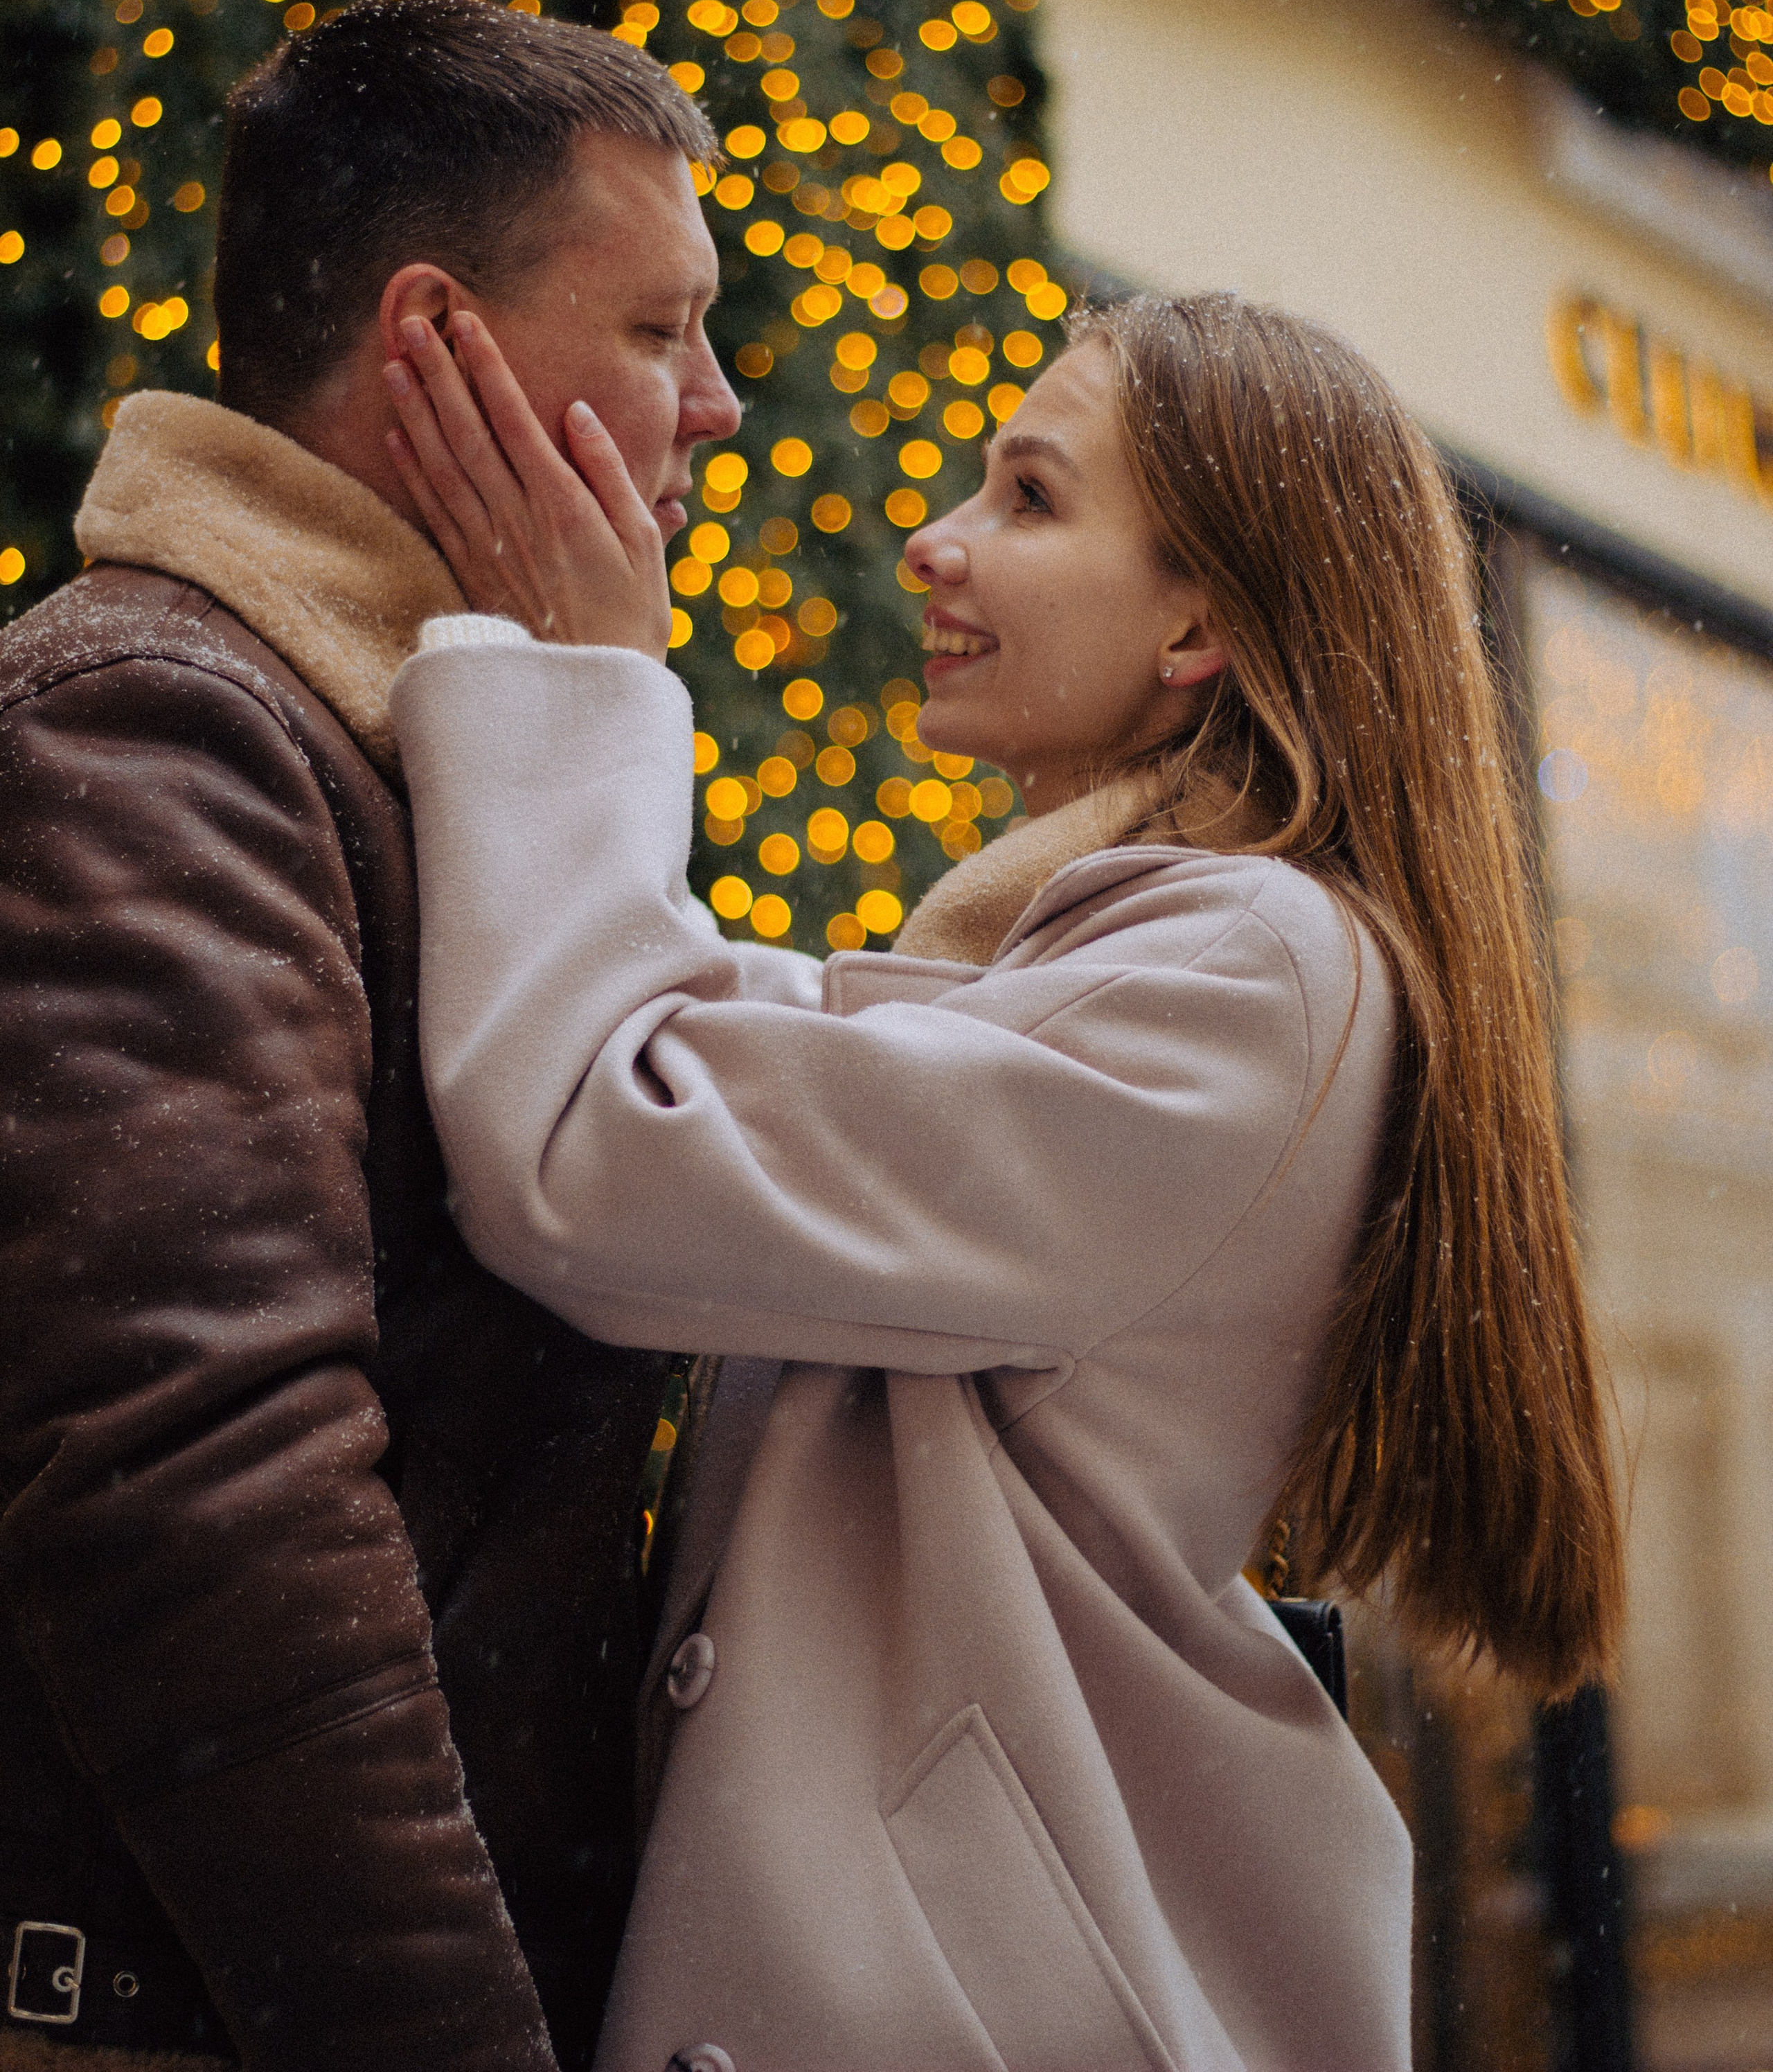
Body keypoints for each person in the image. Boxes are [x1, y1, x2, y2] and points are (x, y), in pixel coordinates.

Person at [382, 285, 1625, 2072]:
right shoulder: (1119, 955)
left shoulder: (1246, 968)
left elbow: (600, 1147)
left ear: (1201, 617)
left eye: (1030, 500)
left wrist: (577, 673)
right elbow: (726, 1061)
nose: (937, 541)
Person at [0, 0, 741, 2072]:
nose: (725, 405)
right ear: (438, 340)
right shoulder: (162, 726)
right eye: (664, 326)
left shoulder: (404, 741)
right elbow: (194, 1476)